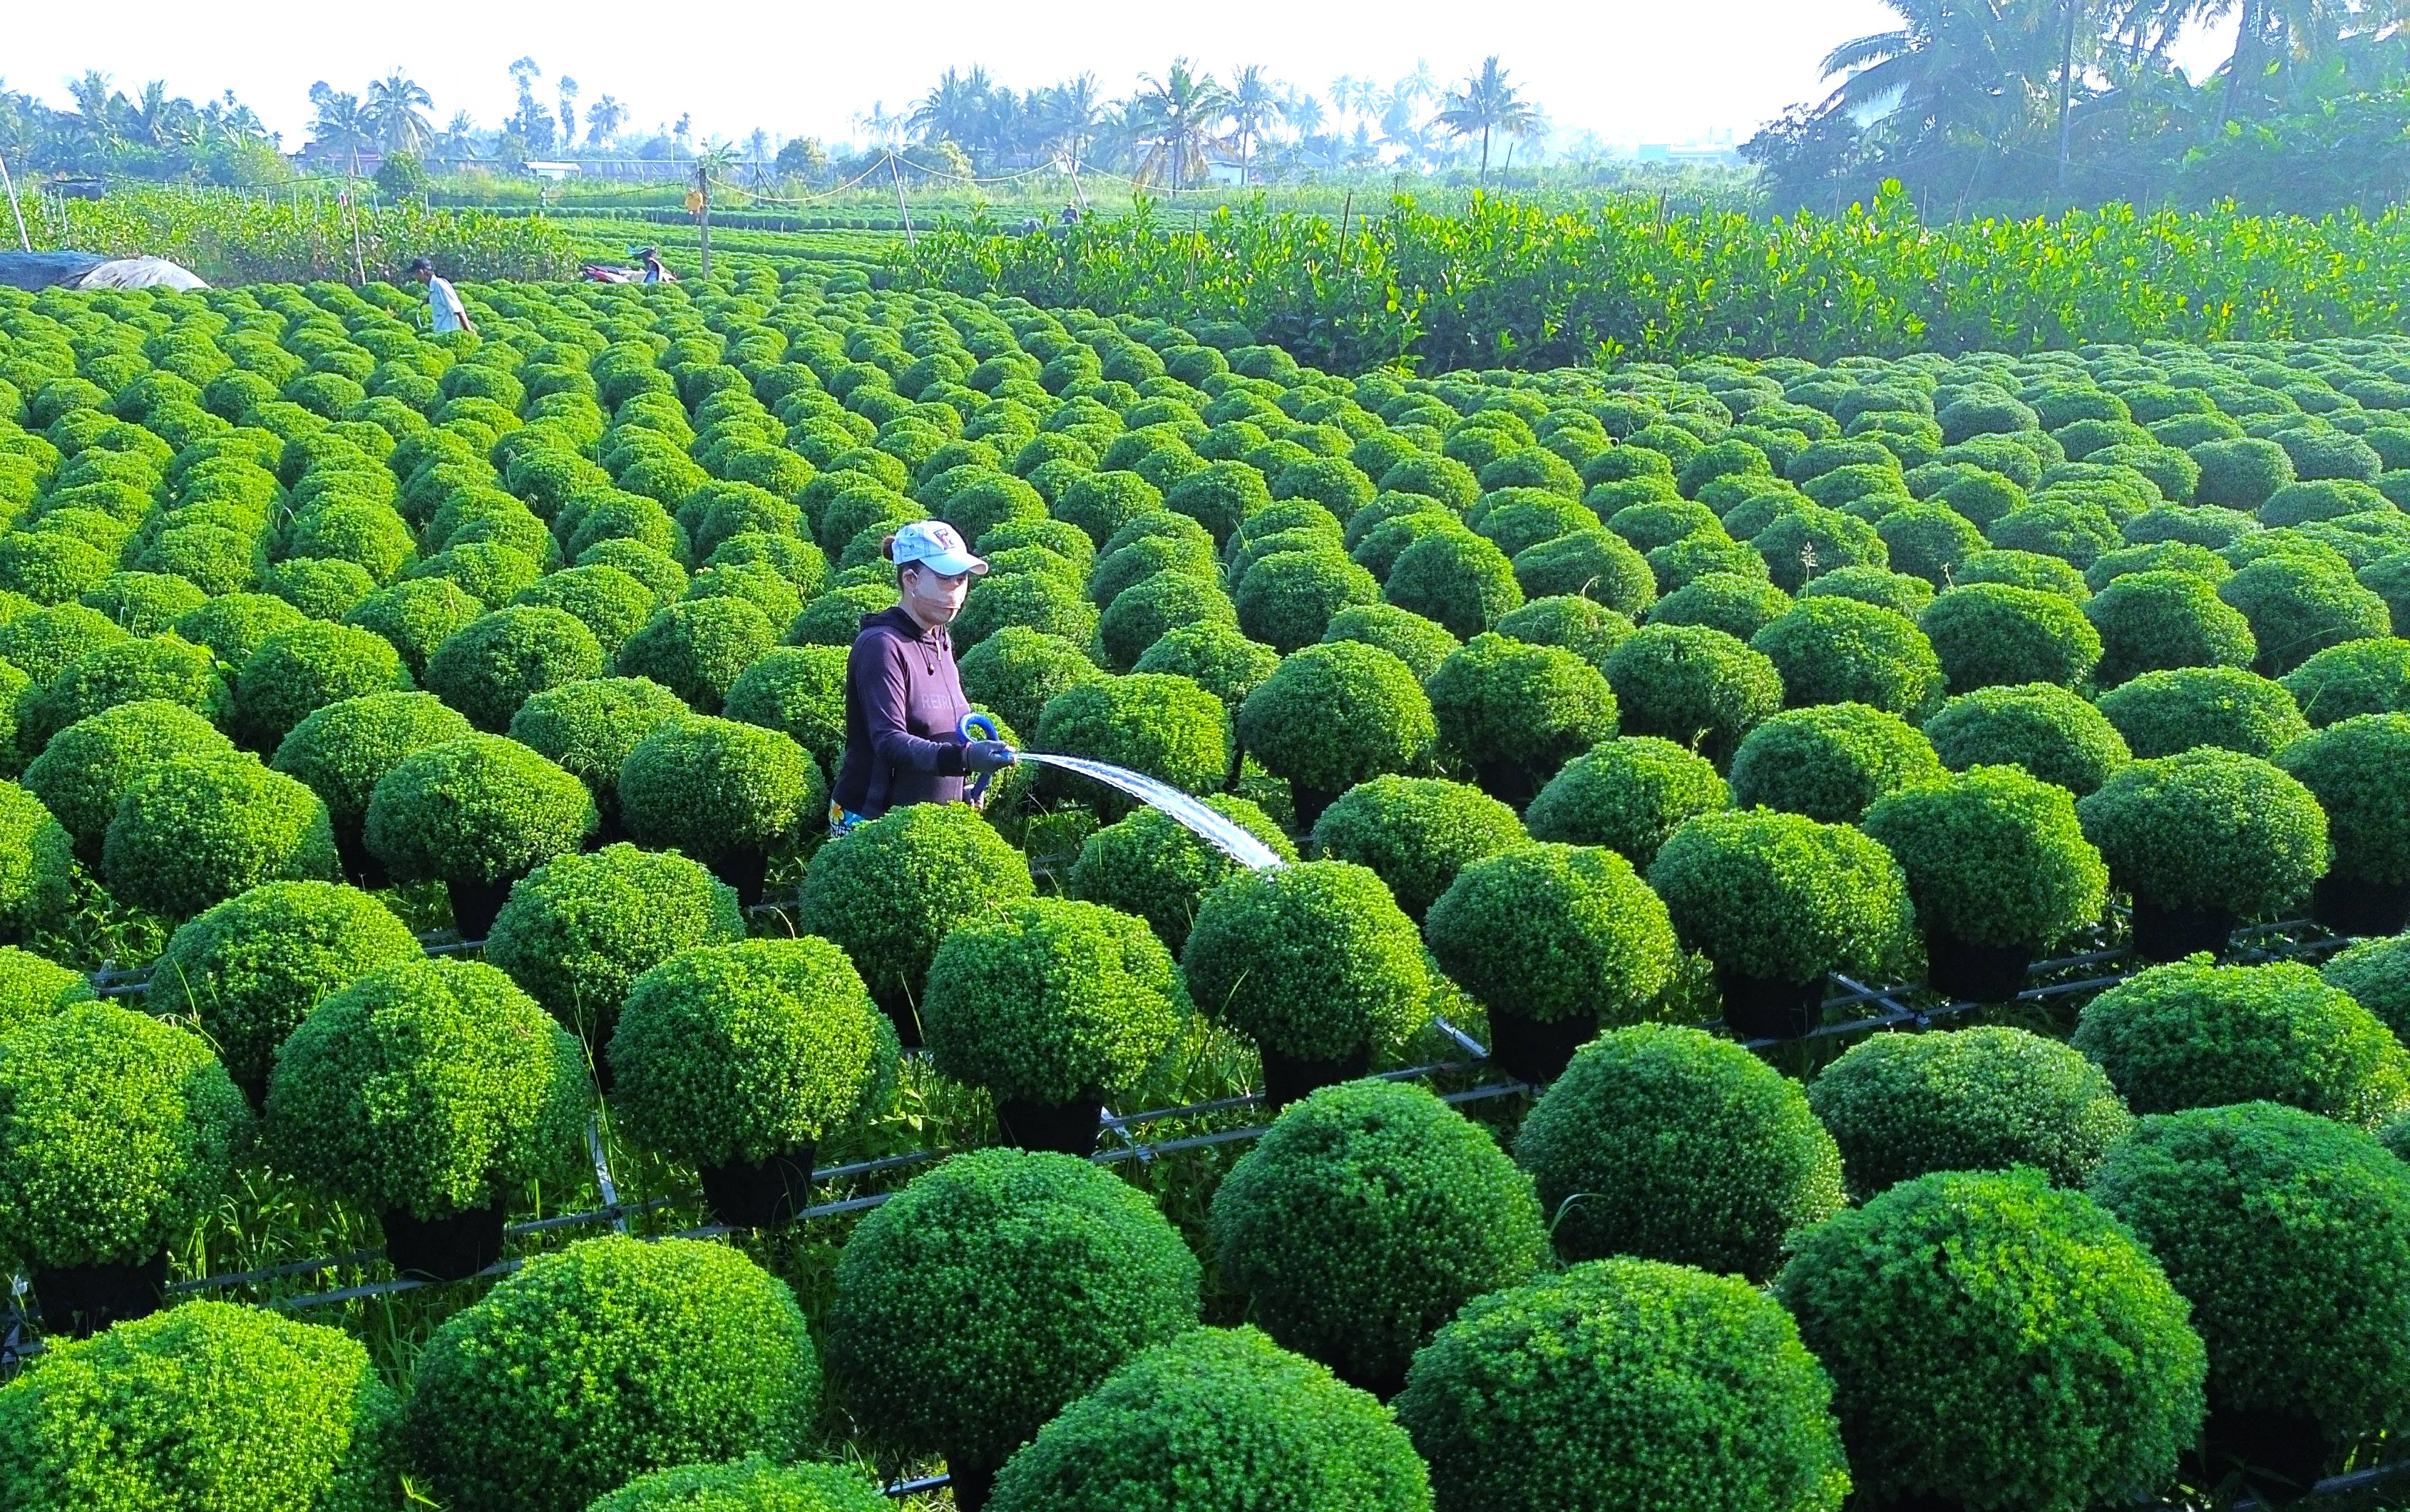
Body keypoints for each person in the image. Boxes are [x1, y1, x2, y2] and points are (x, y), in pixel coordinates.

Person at [829, 520, 1016, 838]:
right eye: (945, 579)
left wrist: (962, 787)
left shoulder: (940, 637)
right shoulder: (882, 646)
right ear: (911, 579)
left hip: (928, 822)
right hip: (875, 821)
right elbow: (889, 741)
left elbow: (945, 719)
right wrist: (966, 758)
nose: (957, 591)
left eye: (962, 579)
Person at [408, 257, 476, 336]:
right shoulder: (433, 287)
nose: (414, 277)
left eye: (415, 274)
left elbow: (458, 309)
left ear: (420, 272)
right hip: (440, 334)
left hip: (450, 334)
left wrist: (469, 330)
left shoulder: (439, 285)